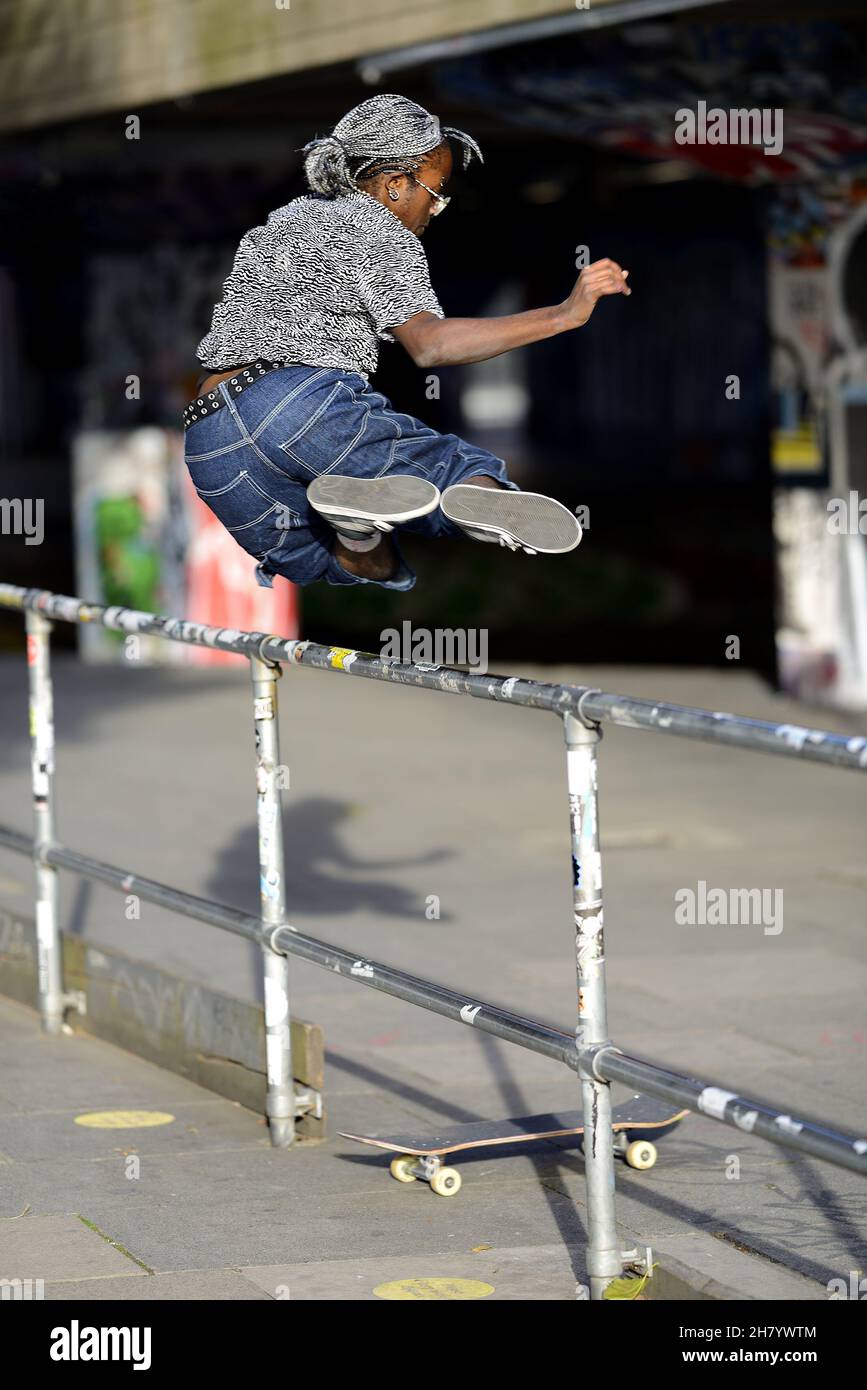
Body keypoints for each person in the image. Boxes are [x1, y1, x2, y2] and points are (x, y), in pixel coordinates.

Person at [184, 93, 631, 593]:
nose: (437, 209)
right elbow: (430, 345)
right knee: (453, 468)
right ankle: (470, 492)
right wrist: (562, 315)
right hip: (300, 406)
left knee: (342, 564)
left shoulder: (287, 219)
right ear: (397, 182)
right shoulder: (377, 226)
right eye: (436, 191)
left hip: (210, 439)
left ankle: (356, 531)